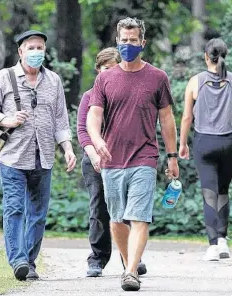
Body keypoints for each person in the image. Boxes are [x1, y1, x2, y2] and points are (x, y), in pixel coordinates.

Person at [87, 17, 179, 291]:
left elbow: (167, 118)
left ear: (143, 42)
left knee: (139, 216)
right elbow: (93, 116)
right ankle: (129, 264)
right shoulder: (105, 79)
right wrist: (96, 140)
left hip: (145, 157)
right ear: (117, 41)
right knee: (116, 219)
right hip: (112, 159)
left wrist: (172, 157)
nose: (128, 45)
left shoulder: (157, 77)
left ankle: (130, 273)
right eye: (124, 41)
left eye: (133, 40)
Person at [0, 30, 77, 281]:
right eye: (31, 48)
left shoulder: (53, 81)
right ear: (21, 51)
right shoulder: (4, 77)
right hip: (13, 157)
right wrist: (7, 119)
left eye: (41, 48)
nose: (37, 52)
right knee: (14, 208)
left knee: (38, 214)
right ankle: (18, 260)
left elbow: (60, 119)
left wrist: (67, 148)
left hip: (43, 156)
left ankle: (30, 263)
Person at [77, 47, 147, 277]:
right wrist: (95, 154)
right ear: (98, 70)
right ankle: (97, 258)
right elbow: (83, 131)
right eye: (106, 69)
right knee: (99, 209)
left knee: (127, 211)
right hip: (95, 160)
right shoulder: (89, 97)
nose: (110, 73)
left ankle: (131, 259)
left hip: (124, 160)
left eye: (114, 68)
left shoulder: (127, 93)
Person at [178, 38, 232, 261]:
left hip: (204, 142)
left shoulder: (195, 82)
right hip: (229, 143)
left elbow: (187, 116)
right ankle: (224, 240)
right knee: (223, 191)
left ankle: (213, 244)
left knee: (209, 192)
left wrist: (182, 143)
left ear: (206, 56)